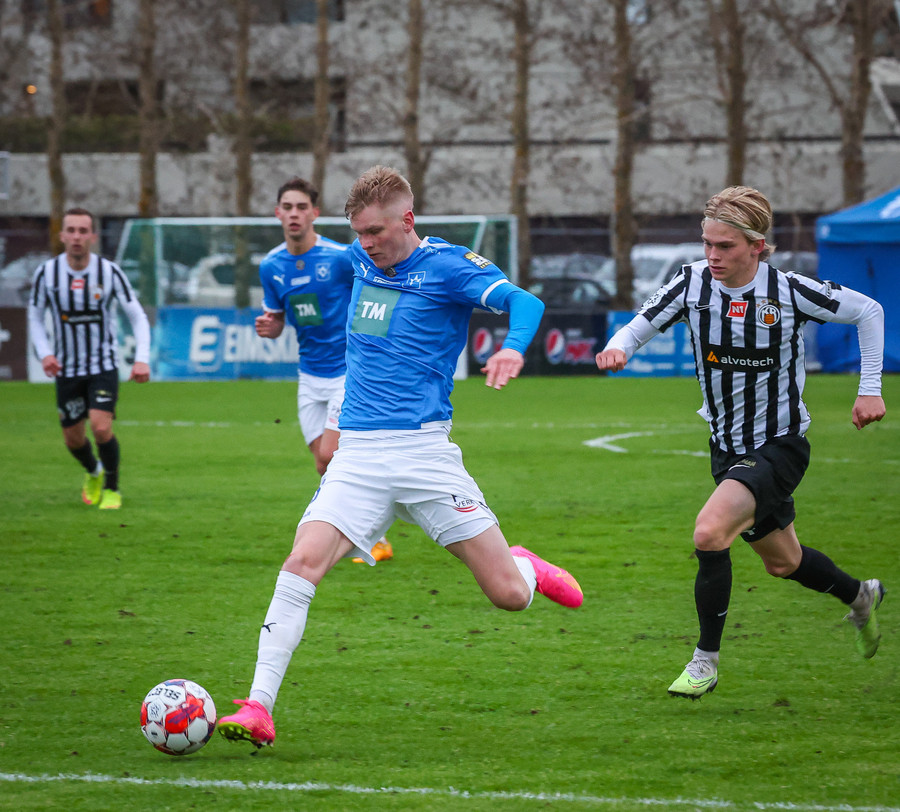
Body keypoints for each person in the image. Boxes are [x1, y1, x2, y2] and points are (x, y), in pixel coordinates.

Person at [218, 165, 583, 747]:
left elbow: (526, 303)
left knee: (509, 597)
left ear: (407, 220)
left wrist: (512, 350)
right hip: (358, 454)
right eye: (358, 233)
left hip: (423, 454)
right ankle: (259, 706)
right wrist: (279, 316)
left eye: (376, 232)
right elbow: (311, 279)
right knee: (301, 563)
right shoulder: (356, 259)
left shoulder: (449, 267)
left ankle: (526, 566)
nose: (366, 245)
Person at [596, 185, 886, 700]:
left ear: (757, 246)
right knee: (784, 562)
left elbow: (869, 311)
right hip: (727, 447)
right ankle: (860, 596)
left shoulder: (789, 291)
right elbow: (638, 327)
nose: (713, 255)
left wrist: (869, 389)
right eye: (707, 244)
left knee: (710, 533)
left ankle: (704, 661)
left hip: (779, 444)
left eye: (725, 246)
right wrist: (617, 347)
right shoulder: (692, 283)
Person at [254, 176, 392, 562]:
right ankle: (374, 526)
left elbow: (379, 285)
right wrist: (270, 328)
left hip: (348, 372)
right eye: (287, 207)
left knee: (332, 454)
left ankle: (371, 536)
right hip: (309, 376)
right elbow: (278, 320)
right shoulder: (271, 266)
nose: (294, 214)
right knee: (322, 462)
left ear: (314, 213)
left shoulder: (339, 257)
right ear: (277, 213)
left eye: (302, 207)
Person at [28, 207, 151, 510]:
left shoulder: (109, 273)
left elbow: (137, 316)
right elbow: (35, 317)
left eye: (83, 231)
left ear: (93, 236)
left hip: (102, 366)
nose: (77, 237)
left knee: (100, 427)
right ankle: (93, 471)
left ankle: (112, 488)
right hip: (67, 369)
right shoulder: (47, 274)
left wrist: (141, 358)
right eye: (71, 230)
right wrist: (45, 354)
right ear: (61, 235)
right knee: (73, 439)